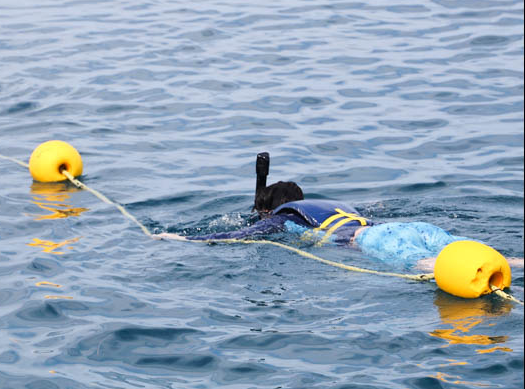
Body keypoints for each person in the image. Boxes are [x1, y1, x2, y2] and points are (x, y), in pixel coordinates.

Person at [153, 152, 523, 272]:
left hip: (372, 240)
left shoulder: (285, 217)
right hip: (405, 225)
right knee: (484, 255)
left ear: (271, 206)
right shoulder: (331, 205)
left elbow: (237, 237)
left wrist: (181, 239)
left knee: (428, 266)